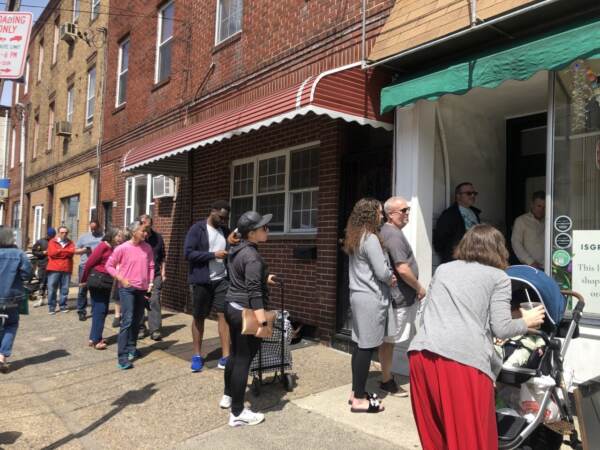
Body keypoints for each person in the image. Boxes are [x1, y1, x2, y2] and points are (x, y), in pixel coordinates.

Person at [408, 224, 545, 450]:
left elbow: (439, 312)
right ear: (498, 249)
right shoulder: (498, 277)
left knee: (435, 436)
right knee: (471, 439)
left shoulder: (444, 269)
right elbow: (501, 328)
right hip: (461, 363)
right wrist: (526, 321)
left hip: (421, 354)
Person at [220, 211, 275, 427]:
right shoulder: (251, 255)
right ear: (251, 233)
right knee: (244, 360)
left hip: (231, 307)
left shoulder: (236, 248)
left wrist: (264, 276)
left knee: (235, 355)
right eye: (263, 228)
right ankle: (237, 412)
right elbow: (253, 291)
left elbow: (243, 275)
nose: (267, 230)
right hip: (245, 311)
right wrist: (262, 321)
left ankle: (228, 396)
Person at [343, 198, 395, 414]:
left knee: (359, 345)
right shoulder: (371, 238)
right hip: (371, 298)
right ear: (370, 214)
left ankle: (357, 392)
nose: (382, 216)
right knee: (366, 347)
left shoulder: (356, 236)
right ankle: (358, 400)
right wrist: (390, 277)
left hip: (358, 296)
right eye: (379, 212)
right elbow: (382, 272)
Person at [379, 196, 425, 397]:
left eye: (408, 210)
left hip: (402, 297)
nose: (407, 214)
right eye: (403, 210)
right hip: (399, 298)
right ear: (390, 214)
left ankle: (388, 376)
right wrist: (419, 287)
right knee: (389, 341)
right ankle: (386, 380)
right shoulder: (393, 235)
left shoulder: (392, 232)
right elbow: (402, 269)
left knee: (394, 339)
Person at [184, 200, 232, 373]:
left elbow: (232, 247)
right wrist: (213, 255)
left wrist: (232, 244)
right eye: (220, 217)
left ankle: (226, 356)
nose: (223, 221)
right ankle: (197, 355)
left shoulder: (224, 231)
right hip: (201, 280)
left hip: (221, 280)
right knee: (199, 317)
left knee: (223, 315)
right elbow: (188, 253)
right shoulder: (198, 229)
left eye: (225, 218)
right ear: (212, 211)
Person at [106, 221, 154, 370]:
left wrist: (150, 282)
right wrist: (121, 278)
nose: (145, 233)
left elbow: (151, 266)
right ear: (134, 232)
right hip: (127, 289)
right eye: (142, 231)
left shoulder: (147, 248)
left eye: (146, 231)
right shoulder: (122, 248)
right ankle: (122, 356)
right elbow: (109, 265)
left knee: (137, 320)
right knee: (126, 321)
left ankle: (132, 348)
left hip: (142, 289)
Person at [80, 228, 125, 350]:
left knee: (97, 310)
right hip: (99, 282)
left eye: (121, 236)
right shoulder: (103, 246)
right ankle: (96, 341)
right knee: (101, 309)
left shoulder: (112, 248)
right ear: (111, 236)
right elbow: (89, 263)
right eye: (119, 236)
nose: (121, 238)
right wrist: (83, 280)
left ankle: (93, 337)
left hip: (104, 281)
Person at [0, 227, 33, 373]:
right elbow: (28, 273)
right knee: (11, 324)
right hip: (12, 297)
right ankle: (2, 356)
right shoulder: (19, 254)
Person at [433, 182, 481, 263]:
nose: (472, 196)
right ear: (458, 196)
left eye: (474, 193)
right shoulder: (449, 214)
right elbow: (439, 240)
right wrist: (451, 255)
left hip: (475, 259)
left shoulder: (475, 213)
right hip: (457, 261)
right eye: (469, 193)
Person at [139, 214, 166, 341]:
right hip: (139, 274)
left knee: (154, 300)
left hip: (155, 274)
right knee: (139, 301)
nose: (145, 226)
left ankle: (155, 330)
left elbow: (162, 257)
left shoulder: (158, 238)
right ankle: (140, 328)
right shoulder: (138, 237)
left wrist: (163, 273)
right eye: (142, 223)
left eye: (147, 224)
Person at [75, 220, 104, 321]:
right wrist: (84, 250)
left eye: (95, 228)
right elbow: (75, 250)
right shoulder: (84, 237)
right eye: (92, 229)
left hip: (97, 266)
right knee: (83, 289)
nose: (93, 230)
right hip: (84, 266)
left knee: (96, 288)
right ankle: (81, 311)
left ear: (99, 227)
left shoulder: (103, 237)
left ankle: (95, 309)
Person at [511, 191, 546, 269]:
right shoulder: (521, 221)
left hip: (549, 266)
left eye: (544, 207)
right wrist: (530, 261)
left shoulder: (549, 222)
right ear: (532, 204)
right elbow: (516, 243)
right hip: (530, 267)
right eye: (539, 206)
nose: (541, 209)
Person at [47, 226, 76, 314]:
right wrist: (66, 252)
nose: (64, 234)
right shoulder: (52, 241)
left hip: (66, 268)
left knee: (65, 289)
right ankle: (52, 307)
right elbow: (52, 253)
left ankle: (63, 305)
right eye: (62, 232)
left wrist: (60, 252)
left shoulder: (70, 242)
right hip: (54, 268)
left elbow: (71, 253)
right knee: (52, 288)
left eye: (66, 233)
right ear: (58, 233)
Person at [31, 227, 56, 307]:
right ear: (47, 235)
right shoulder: (40, 242)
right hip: (42, 265)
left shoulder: (55, 242)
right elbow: (34, 251)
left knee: (51, 283)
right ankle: (41, 299)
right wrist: (42, 253)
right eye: (50, 236)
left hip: (53, 265)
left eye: (53, 236)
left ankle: (51, 299)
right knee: (42, 282)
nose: (51, 237)